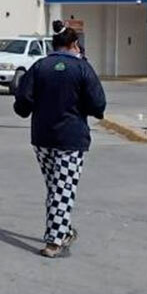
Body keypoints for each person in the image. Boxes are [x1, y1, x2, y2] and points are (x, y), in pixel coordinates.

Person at [13, 24, 106, 259]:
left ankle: (63, 231)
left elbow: (22, 103)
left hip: (42, 138)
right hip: (71, 138)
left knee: (56, 187)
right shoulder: (82, 68)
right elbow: (97, 104)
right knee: (61, 188)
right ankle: (54, 241)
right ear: (74, 44)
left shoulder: (39, 67)